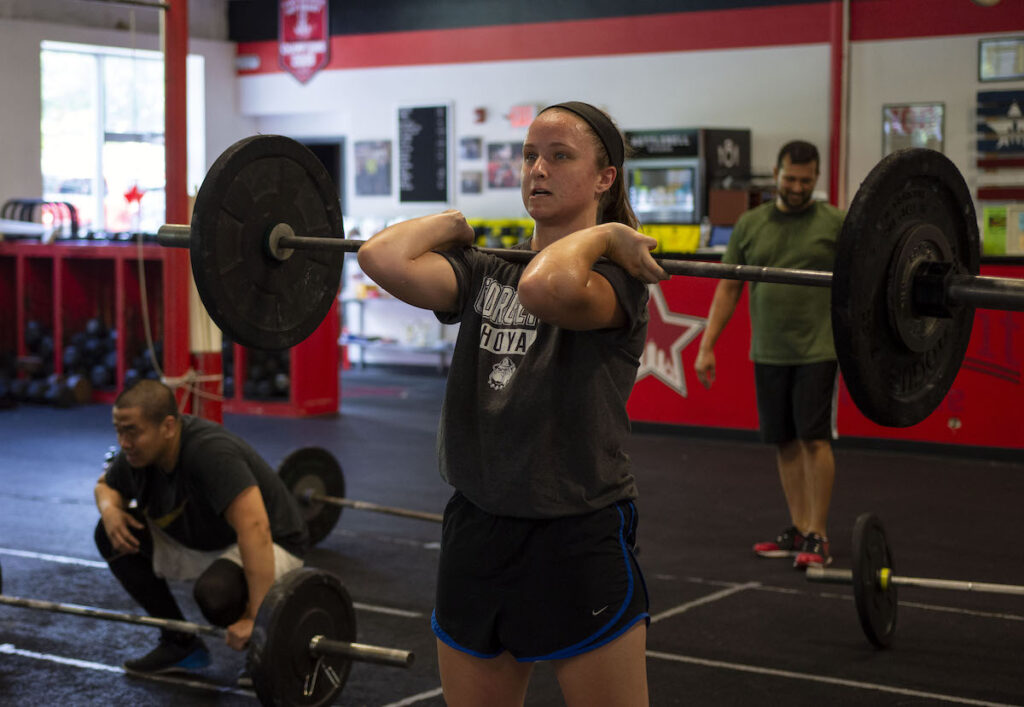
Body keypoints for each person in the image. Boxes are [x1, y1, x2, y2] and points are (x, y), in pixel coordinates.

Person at [357, 101, 666, 706]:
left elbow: (546, 287)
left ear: (606, 178)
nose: (536, 170)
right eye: (528, 156)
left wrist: (603, 235)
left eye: (558, 156)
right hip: (478, 527)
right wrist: (451, 223)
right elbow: (381, 258)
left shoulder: (617, 280)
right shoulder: (486, 272)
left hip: (574, 532)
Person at [694, 140, 843, 570]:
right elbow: (728, 285)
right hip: (770, 350)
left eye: (806, 180)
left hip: (819, 347)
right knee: (784, 441)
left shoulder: (835, 222)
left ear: (816, 178)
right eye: (790, 178)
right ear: (776, 174)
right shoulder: (750, 223)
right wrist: (707, 346)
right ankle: (798, 528)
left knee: (815, 438)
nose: (797, 187)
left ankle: (818, 534)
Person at [94, 380, 309, 675]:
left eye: (131, 431)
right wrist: (110, 511)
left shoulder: (210, 452)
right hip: (203, 537)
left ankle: (270, 647)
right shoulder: (139, 454)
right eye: (119, 430)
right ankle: (179, 643)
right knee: (109, 531)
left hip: (272, 543)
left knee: (216, 595)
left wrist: (257, 621)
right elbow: (106, 486)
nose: (123, 442)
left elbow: (255, 528)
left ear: (168, 427)